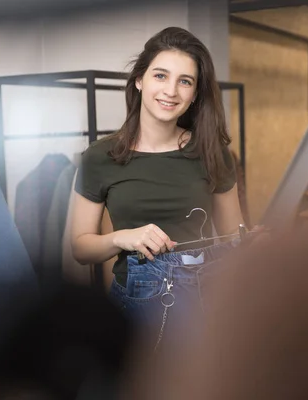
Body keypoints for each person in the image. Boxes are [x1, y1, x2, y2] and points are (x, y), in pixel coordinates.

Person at [69, 27, 249, 346]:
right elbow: (81, 248)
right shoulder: (99, 157)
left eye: (185, 81)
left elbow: (233, 239)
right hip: (135, 307)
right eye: (161, 76)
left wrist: (254, 244)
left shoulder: (213, 152)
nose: (171, 91)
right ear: (140, 80)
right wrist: (124, 237)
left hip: (206, 300)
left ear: (194, 94)